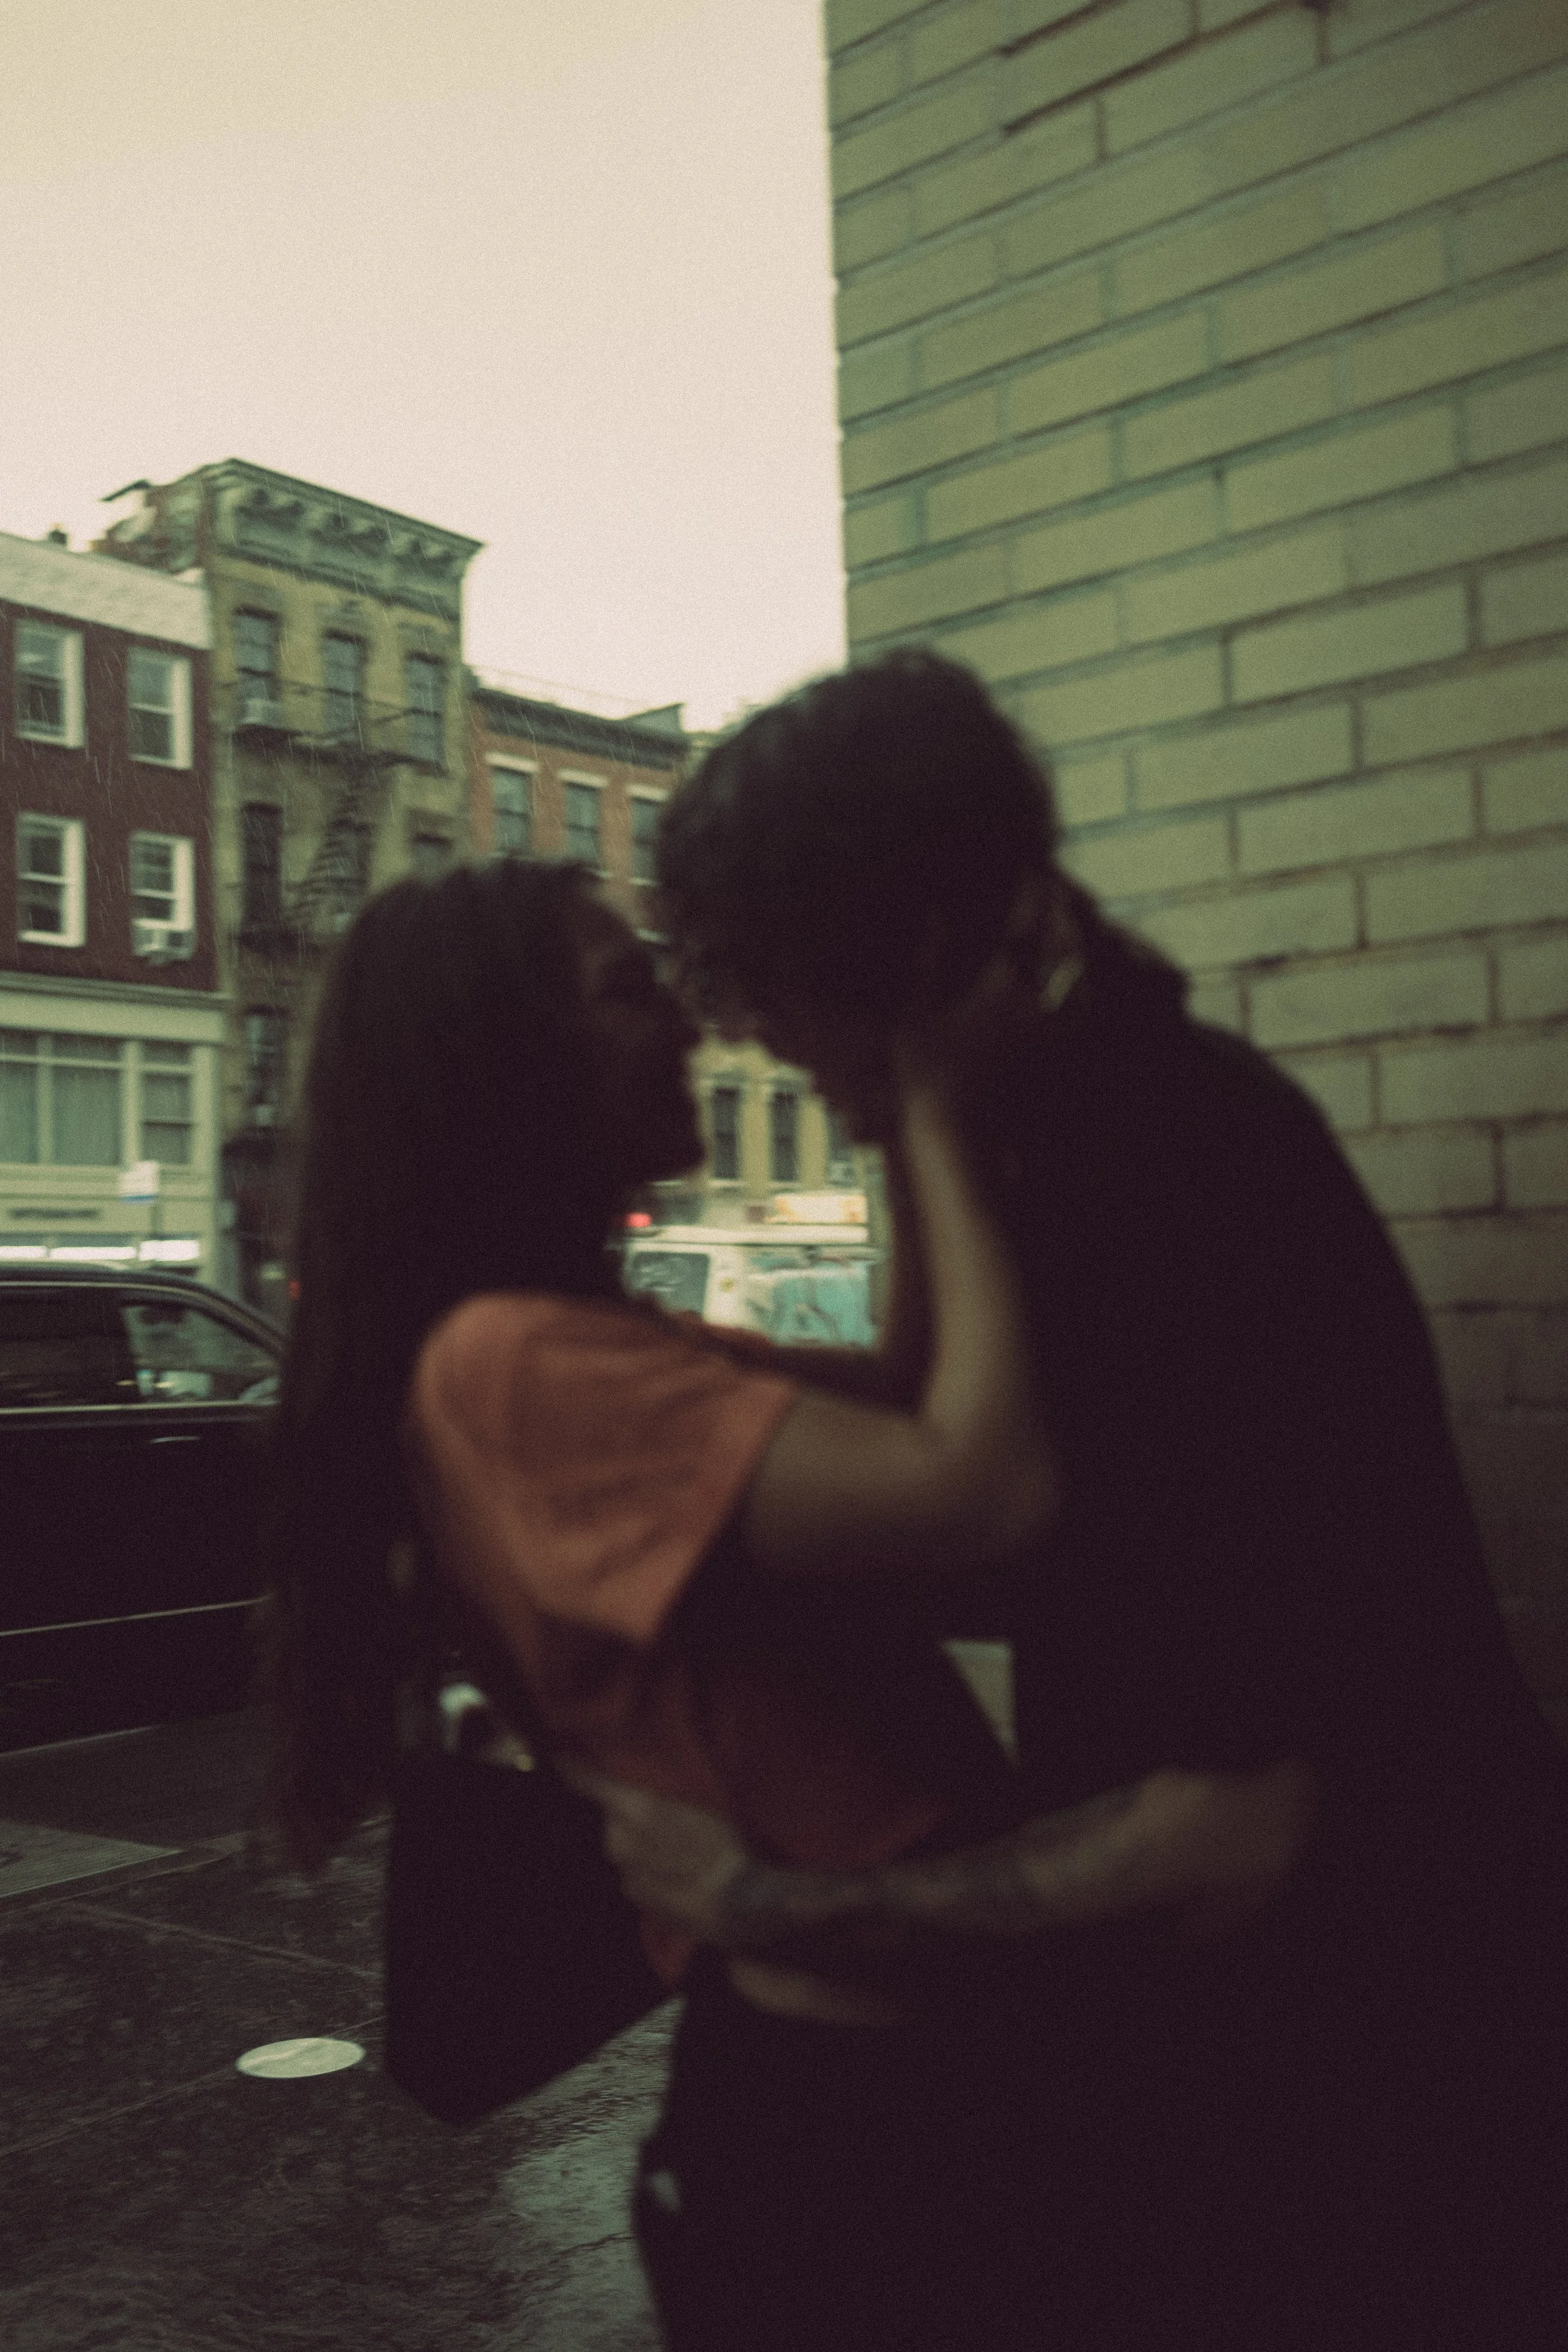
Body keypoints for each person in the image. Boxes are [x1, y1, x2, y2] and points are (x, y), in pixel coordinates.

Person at [583, 644, 1567, 2349]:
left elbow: (1225, 1828)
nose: (742, 1030)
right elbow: (918, 1402)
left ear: (906, 961)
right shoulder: (1039, 1130)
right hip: (1290, 2045)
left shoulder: (1164, 1194)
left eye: (772, 985)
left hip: (1366, 2073)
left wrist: (771, 1904)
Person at [257, 855, 1317, 2352]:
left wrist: (892, 1113)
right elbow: (981, 1489)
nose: (688, 1027)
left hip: (876, 2056)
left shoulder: (581, 1337)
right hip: (858, 2109)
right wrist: (939, 1103)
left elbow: (902, 1398)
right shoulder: (516, 1365)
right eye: (629, 989)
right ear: (506, 1058)